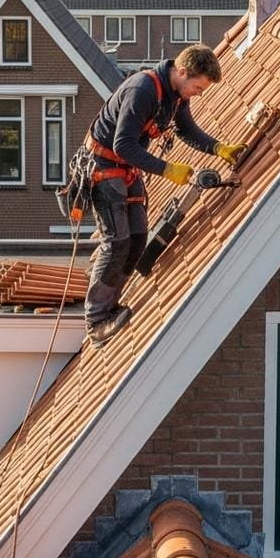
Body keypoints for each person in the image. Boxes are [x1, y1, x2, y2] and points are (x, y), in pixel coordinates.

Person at [78, 44, 245, 346]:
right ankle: (96, 320)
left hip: (126, 169)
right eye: (197, 86)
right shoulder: (142, 90)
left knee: (139, 238)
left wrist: (218, 148)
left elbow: (186, 130)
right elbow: (123, 145)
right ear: (182, 72)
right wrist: (167, 169)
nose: (198, 93)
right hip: (104, 167)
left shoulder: (175, 96)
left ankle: (112, 302)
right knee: (117, 241)